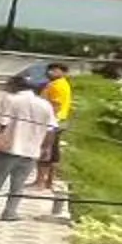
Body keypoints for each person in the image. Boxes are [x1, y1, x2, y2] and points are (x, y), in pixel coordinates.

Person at [0, 78, 58, 221]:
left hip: (8, 148)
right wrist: (46, 148)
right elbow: (51, 129)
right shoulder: (45, 105)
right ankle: (10, 212)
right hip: (31, 151)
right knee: (18, 185)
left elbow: (2, 121)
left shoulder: (11, 99)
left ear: (16, 87)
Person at [36, 61, 74, 190]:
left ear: (63, 72)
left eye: (54, 70)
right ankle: (48, 182)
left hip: (52, 122)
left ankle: (40, 182)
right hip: (59, 121)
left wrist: (46, 120)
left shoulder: (57, 86)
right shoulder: (62, 84)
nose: (50, 72)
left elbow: (55, 105)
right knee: (53, 152)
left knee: (46, 151)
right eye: (49, 70)